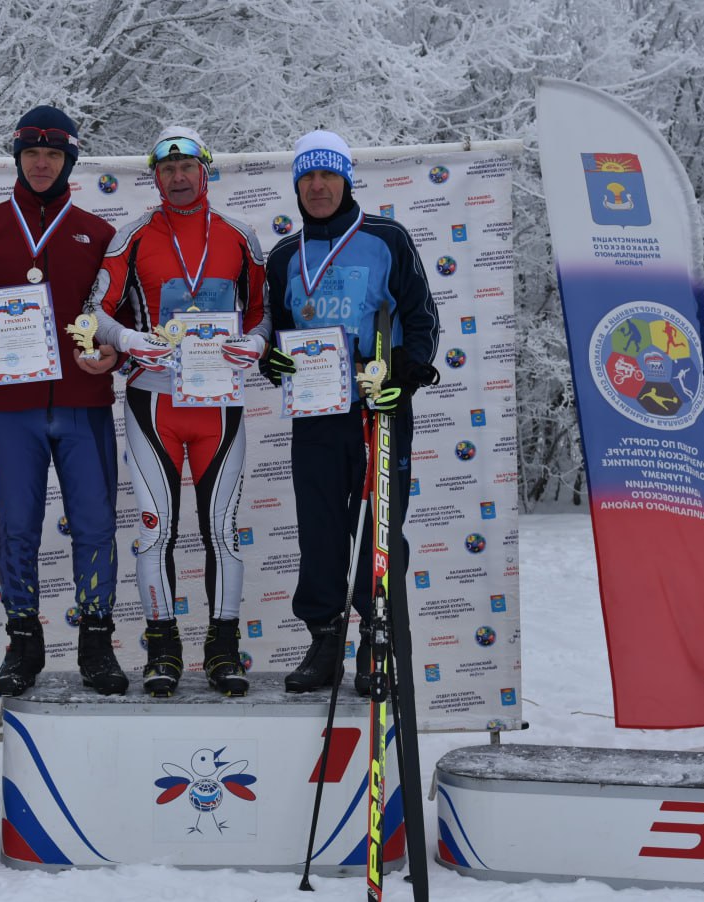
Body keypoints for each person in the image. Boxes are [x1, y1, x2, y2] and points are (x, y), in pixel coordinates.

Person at [0, 105, 127, 697]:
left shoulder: (98, 232)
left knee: (94, 524)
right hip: (10, 410)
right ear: (18, 157)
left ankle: (96, 641)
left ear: (69, 161)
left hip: (83, 403)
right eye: (32, 154)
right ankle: (23, 643)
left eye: (54, 154)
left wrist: (114, 355)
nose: (42, 164)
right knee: (18, 525)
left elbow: (122, 318)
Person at [83, 126, 268, 697]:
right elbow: (95, 309)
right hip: (154, 399)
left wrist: (258, 345)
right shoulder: (133, 236)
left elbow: (265, 312)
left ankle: (223, 647)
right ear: (155, 176)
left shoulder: (241, 235)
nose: (179, 178)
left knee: (222, 532)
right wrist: (133, 341)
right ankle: (162, 646)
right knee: (155, 529)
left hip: (218, 404)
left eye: (188, 167)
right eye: (167, 170)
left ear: (205, 171)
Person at [259, 130, 440, 694]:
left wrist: (404, 379)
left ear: (346, 180)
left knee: (382, 526)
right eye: (307, 177)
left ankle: (375, 638)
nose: (317, 186)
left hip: (376, 407)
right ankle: (326, 637)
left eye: (328, 175)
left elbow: (421, 317)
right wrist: (274, 362)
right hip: (315, 413)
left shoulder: (386, 238)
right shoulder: (286, 254)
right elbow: (274, 332)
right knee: (319, 528)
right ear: (296, 185)